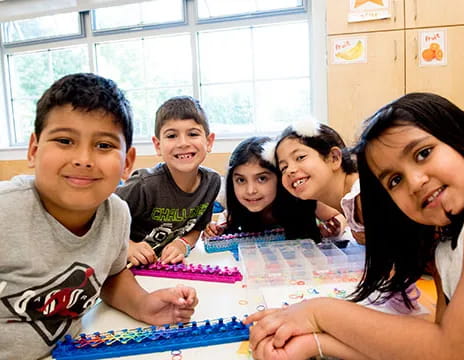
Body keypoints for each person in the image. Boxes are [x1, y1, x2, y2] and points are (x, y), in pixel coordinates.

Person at [245, 92, 464, 359]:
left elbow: (456, 350)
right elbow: (436, 346)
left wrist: (319, 313)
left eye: (423, 153)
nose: (414, 182)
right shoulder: (447, 244)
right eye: (394, 181)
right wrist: (317, 343)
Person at [0, 73, 198, 360]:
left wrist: (143, 304)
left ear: (127, 163)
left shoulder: (116, 214)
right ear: (33, 150)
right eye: (65, 140)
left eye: (104, 145)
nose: (83, 159)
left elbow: (111, 275)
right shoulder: (6, 210)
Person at [116, 96, 221, 265]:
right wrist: (128, 246)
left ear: (209, 142)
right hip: (125, 270)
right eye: (172, 135)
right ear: (158, 145)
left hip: (163, 270)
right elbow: (98, 218)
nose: (183, 143)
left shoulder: (212, 182)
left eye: (193, 134)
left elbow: (197, 228)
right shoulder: (143, 185)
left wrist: (182, 244)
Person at [204, 136, 337, 242]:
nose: (250, 190)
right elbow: (225, 216)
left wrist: (335, 228)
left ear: (279, 178)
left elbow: (337, 216)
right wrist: (218, 229)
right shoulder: (240, 209)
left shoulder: (303, 198)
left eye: (262, 179)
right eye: (241, 180)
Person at [273, 119, 365, 244]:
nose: (290, 170)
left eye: (300, 157)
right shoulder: (347, 202)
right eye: (283, 167)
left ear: (334, 158)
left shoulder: (362, 197)